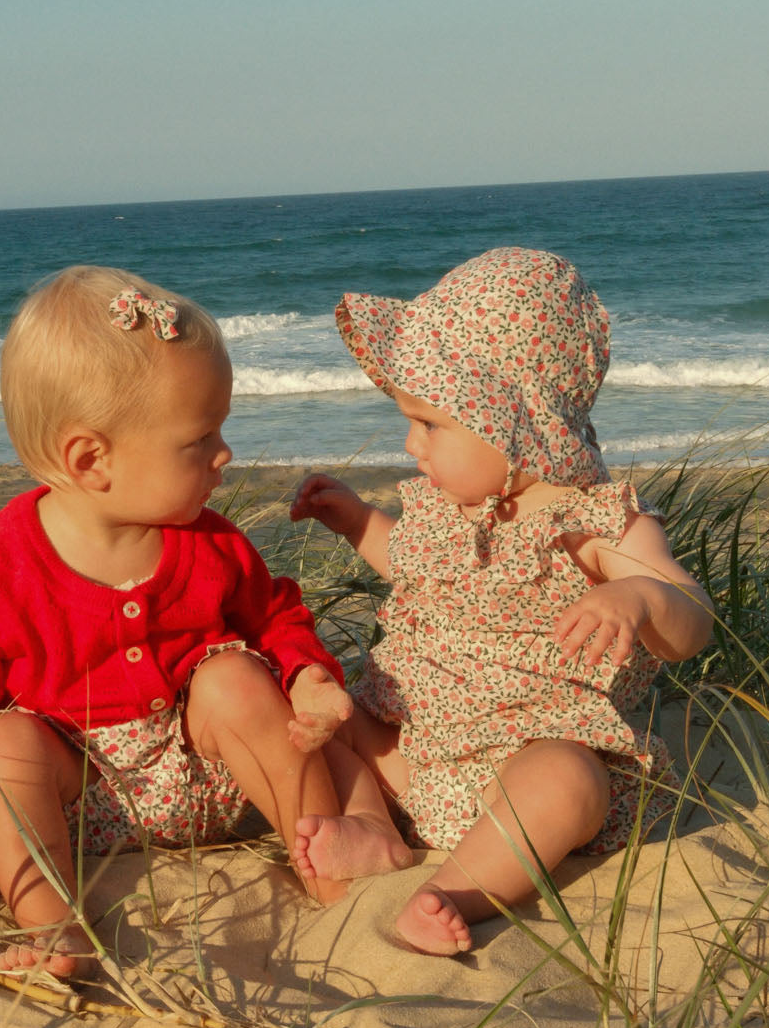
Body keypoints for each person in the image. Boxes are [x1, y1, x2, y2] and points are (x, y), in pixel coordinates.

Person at [0, 265, 410, 977]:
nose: (225, 454)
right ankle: (54, 925)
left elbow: (274, 618)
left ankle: (328, 866)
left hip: (207, 776)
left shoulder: (207, 541)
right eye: (200, 439)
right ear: (91, 459)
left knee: (234, 678)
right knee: (1, 743)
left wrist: (307, 675)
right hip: (79, 802)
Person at [289, 247, 713, 956]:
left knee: (567, 781)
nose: (412, 443)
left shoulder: (594, 522)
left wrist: (640, 595)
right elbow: (419, 571)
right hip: (410, 743)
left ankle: (456, 889)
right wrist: (359, 522)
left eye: (431, 424)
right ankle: (373, 826)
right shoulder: (447, 510)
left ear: (516, 425)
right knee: (325, 717)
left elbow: (691, 617)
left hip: (519, 763)